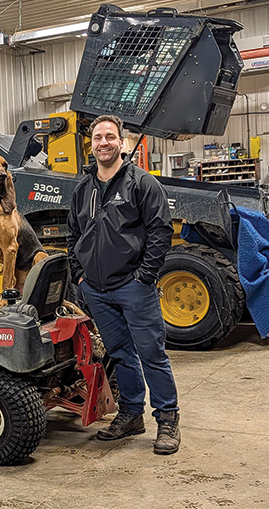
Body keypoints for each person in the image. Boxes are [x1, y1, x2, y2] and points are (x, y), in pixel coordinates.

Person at [67, 114, 180, 455]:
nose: (103, 142)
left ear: (122, 142)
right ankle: (131, 414)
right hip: (96, 289)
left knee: (151, 353)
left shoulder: (142, 184)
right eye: (97, 137)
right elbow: (74, 234)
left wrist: (144, 276)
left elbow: (161, 231)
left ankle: (168, 420)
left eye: (110, 136)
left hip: (133, 286)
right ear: (91, 143)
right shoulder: (83, 190)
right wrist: (80, 274)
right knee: (120, 354)